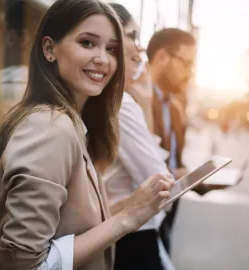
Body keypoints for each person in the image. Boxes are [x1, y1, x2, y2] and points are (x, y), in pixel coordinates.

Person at [0, 1, 174, 269]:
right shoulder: (50, 128)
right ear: (49, 49)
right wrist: (126, 219)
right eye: (87, 43)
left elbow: (64, 228)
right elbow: (24, 265)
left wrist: (128, 207)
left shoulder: (74, 124)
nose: (103, 58)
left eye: (111, 49)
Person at [103, 4, 177, 270]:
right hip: (130, 237)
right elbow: (160, 182)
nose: (139, 47)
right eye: (132, 36)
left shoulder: (122, 101)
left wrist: (144, 101)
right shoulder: (119, 103)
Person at [146, 28, 197, 253]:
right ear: (161, 57)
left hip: (169, 209)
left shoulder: (175, 108)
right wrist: (174, 174)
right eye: (186, 63)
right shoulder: (136, 103)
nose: (189, 73)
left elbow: (176, 159)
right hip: (144, 220)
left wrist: (196, 179)